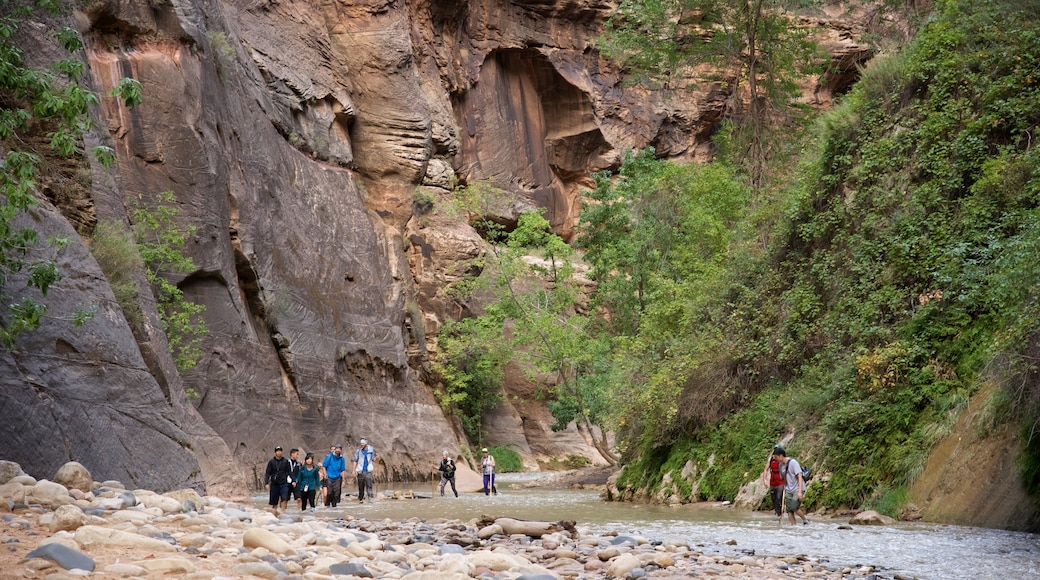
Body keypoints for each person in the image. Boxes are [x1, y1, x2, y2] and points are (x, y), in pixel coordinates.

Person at [775, 447, 810, 525]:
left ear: (781, 456)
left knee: (794, 507)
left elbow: (799, 476)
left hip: (797, 488)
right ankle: (793, 527)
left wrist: (800, 491)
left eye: (776, 457)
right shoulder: (780, 465)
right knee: (789, 510)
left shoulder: (793, 463)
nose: (775, 459)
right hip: (788, 489)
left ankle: (805, 520)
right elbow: (784, 478)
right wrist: (784, 488)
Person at [263, 446, 291, 514]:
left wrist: (292, 480)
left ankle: (283, 512)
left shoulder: (286, 461)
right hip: (274, 484)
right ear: (275, 452)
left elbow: (289, 472)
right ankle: (274, 513)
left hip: (283, 483)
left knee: (284, 498)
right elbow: (267, 473)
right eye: (277, 451)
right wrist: (266, 483)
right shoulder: (271, 462)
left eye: (280, 451)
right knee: (274, 502)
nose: (279, 452)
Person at [761, 444, 785, 518]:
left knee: (779, 497)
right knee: (773, 498)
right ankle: (776, 511)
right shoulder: (771, 459)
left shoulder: (782, 459)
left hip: (781, 481)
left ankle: (779, 513)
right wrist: (764, 479)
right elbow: (766, 469)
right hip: (773, 481)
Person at [353, 438, 376, 503]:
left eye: (362, 444)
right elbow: (355, 460)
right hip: (360, 471)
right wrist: (354, 470)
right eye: (361, 444)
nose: (361, 445)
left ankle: (371, 498)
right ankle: (361, 498)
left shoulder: (371, 450)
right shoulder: (358, 451)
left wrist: (377, 457)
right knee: (361, 486)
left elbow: (373, 459)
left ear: (366, 444)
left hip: (368, 471)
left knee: (369, 485)